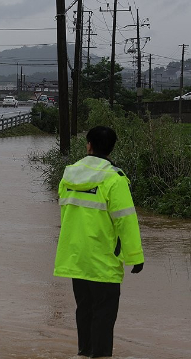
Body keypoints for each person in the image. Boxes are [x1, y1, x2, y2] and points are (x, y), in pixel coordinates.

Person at [54, 126, 144, 358]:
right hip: (103, 259)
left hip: (75, 256)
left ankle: (84, 353)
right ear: (112, 148)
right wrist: (135, 256)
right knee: (104, 313)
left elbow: (65, 212)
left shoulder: (69, 173)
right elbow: (126, 220)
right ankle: (100, 355)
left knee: (84, 310)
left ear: (89, 145)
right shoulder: (114, 179)